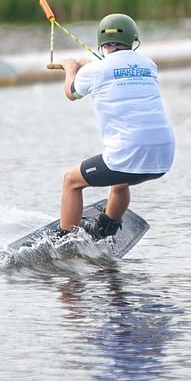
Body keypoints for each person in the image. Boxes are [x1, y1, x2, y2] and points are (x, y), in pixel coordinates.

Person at [56, 14, 175, 238]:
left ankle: (66, 240)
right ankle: (106, 226)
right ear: (134, 41)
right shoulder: (149, 65)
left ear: (101, 43)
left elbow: (71, 92)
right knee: (120, 181)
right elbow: (118, 73)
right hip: (163, 157)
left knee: (71, 181)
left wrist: (70, 67)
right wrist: (91, 67)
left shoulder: (95, 71)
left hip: (127, 155)